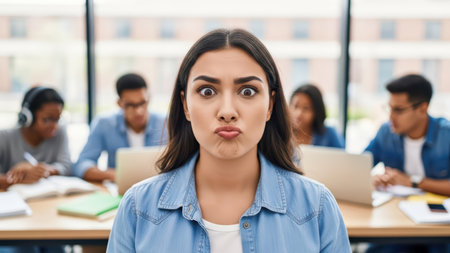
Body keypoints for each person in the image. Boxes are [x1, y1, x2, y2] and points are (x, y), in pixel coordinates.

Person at [107, 29, 350, 252]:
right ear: (185, 106)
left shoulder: (318, 209)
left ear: (270, 105)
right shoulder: (137, 209)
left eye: (247, 91)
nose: (227, 111)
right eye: (207, 91)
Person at [365, 74, 450, 253]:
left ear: (422, 108)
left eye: (398, 110)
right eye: (389, 109)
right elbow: (359, 167)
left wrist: (412, 181)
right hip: (398, 220)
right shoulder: (386, 133)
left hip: (439, 226)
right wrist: (372, 179)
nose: (391, 117)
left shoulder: (446, 135)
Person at [73, 73, 167, 182]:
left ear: (149, 98)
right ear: (119, 103)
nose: (139, 111)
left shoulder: (167, 123)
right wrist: (112, 175)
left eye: (142, 103)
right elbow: (82, 164)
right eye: (131, 105)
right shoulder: (104, 124)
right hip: (120, 192)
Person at [0, 86, 71, 190]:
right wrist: (18, 177)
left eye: (57, 119)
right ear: (28, 117)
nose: (54, 126)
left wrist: (41, 170)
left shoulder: (59, 131)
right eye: (48, 119)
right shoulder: (4, 137)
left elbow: (67, 166)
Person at [289, 84, 344, 148]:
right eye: (295, 106)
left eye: (306, 108)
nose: (299, 113)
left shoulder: (330, 134)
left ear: (316, 111)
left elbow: (343, 156)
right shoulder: (282, 134)